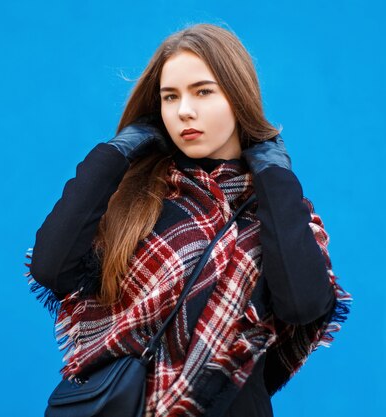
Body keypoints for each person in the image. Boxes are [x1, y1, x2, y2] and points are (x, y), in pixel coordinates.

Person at [24, 23, 351, 417]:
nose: (184, 111)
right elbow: (51, 268)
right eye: (170, 97)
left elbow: (303, 304)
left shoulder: (279, 209)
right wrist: (118, 151)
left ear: (238, 96)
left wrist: (272, 173)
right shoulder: (138, 196)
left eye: (203, 91)